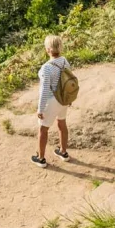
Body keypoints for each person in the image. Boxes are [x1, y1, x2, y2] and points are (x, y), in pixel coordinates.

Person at [31, 35, 70, 168]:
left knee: (43, 129)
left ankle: (41, 158)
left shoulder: (46, 68)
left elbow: (44, 90)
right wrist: (68, 99)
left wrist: (40, 109)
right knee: (62, 124)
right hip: (63, 99)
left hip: (52, 101)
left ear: (48, 49)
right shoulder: (65, 61)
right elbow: (68, 82)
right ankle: (63, 152)